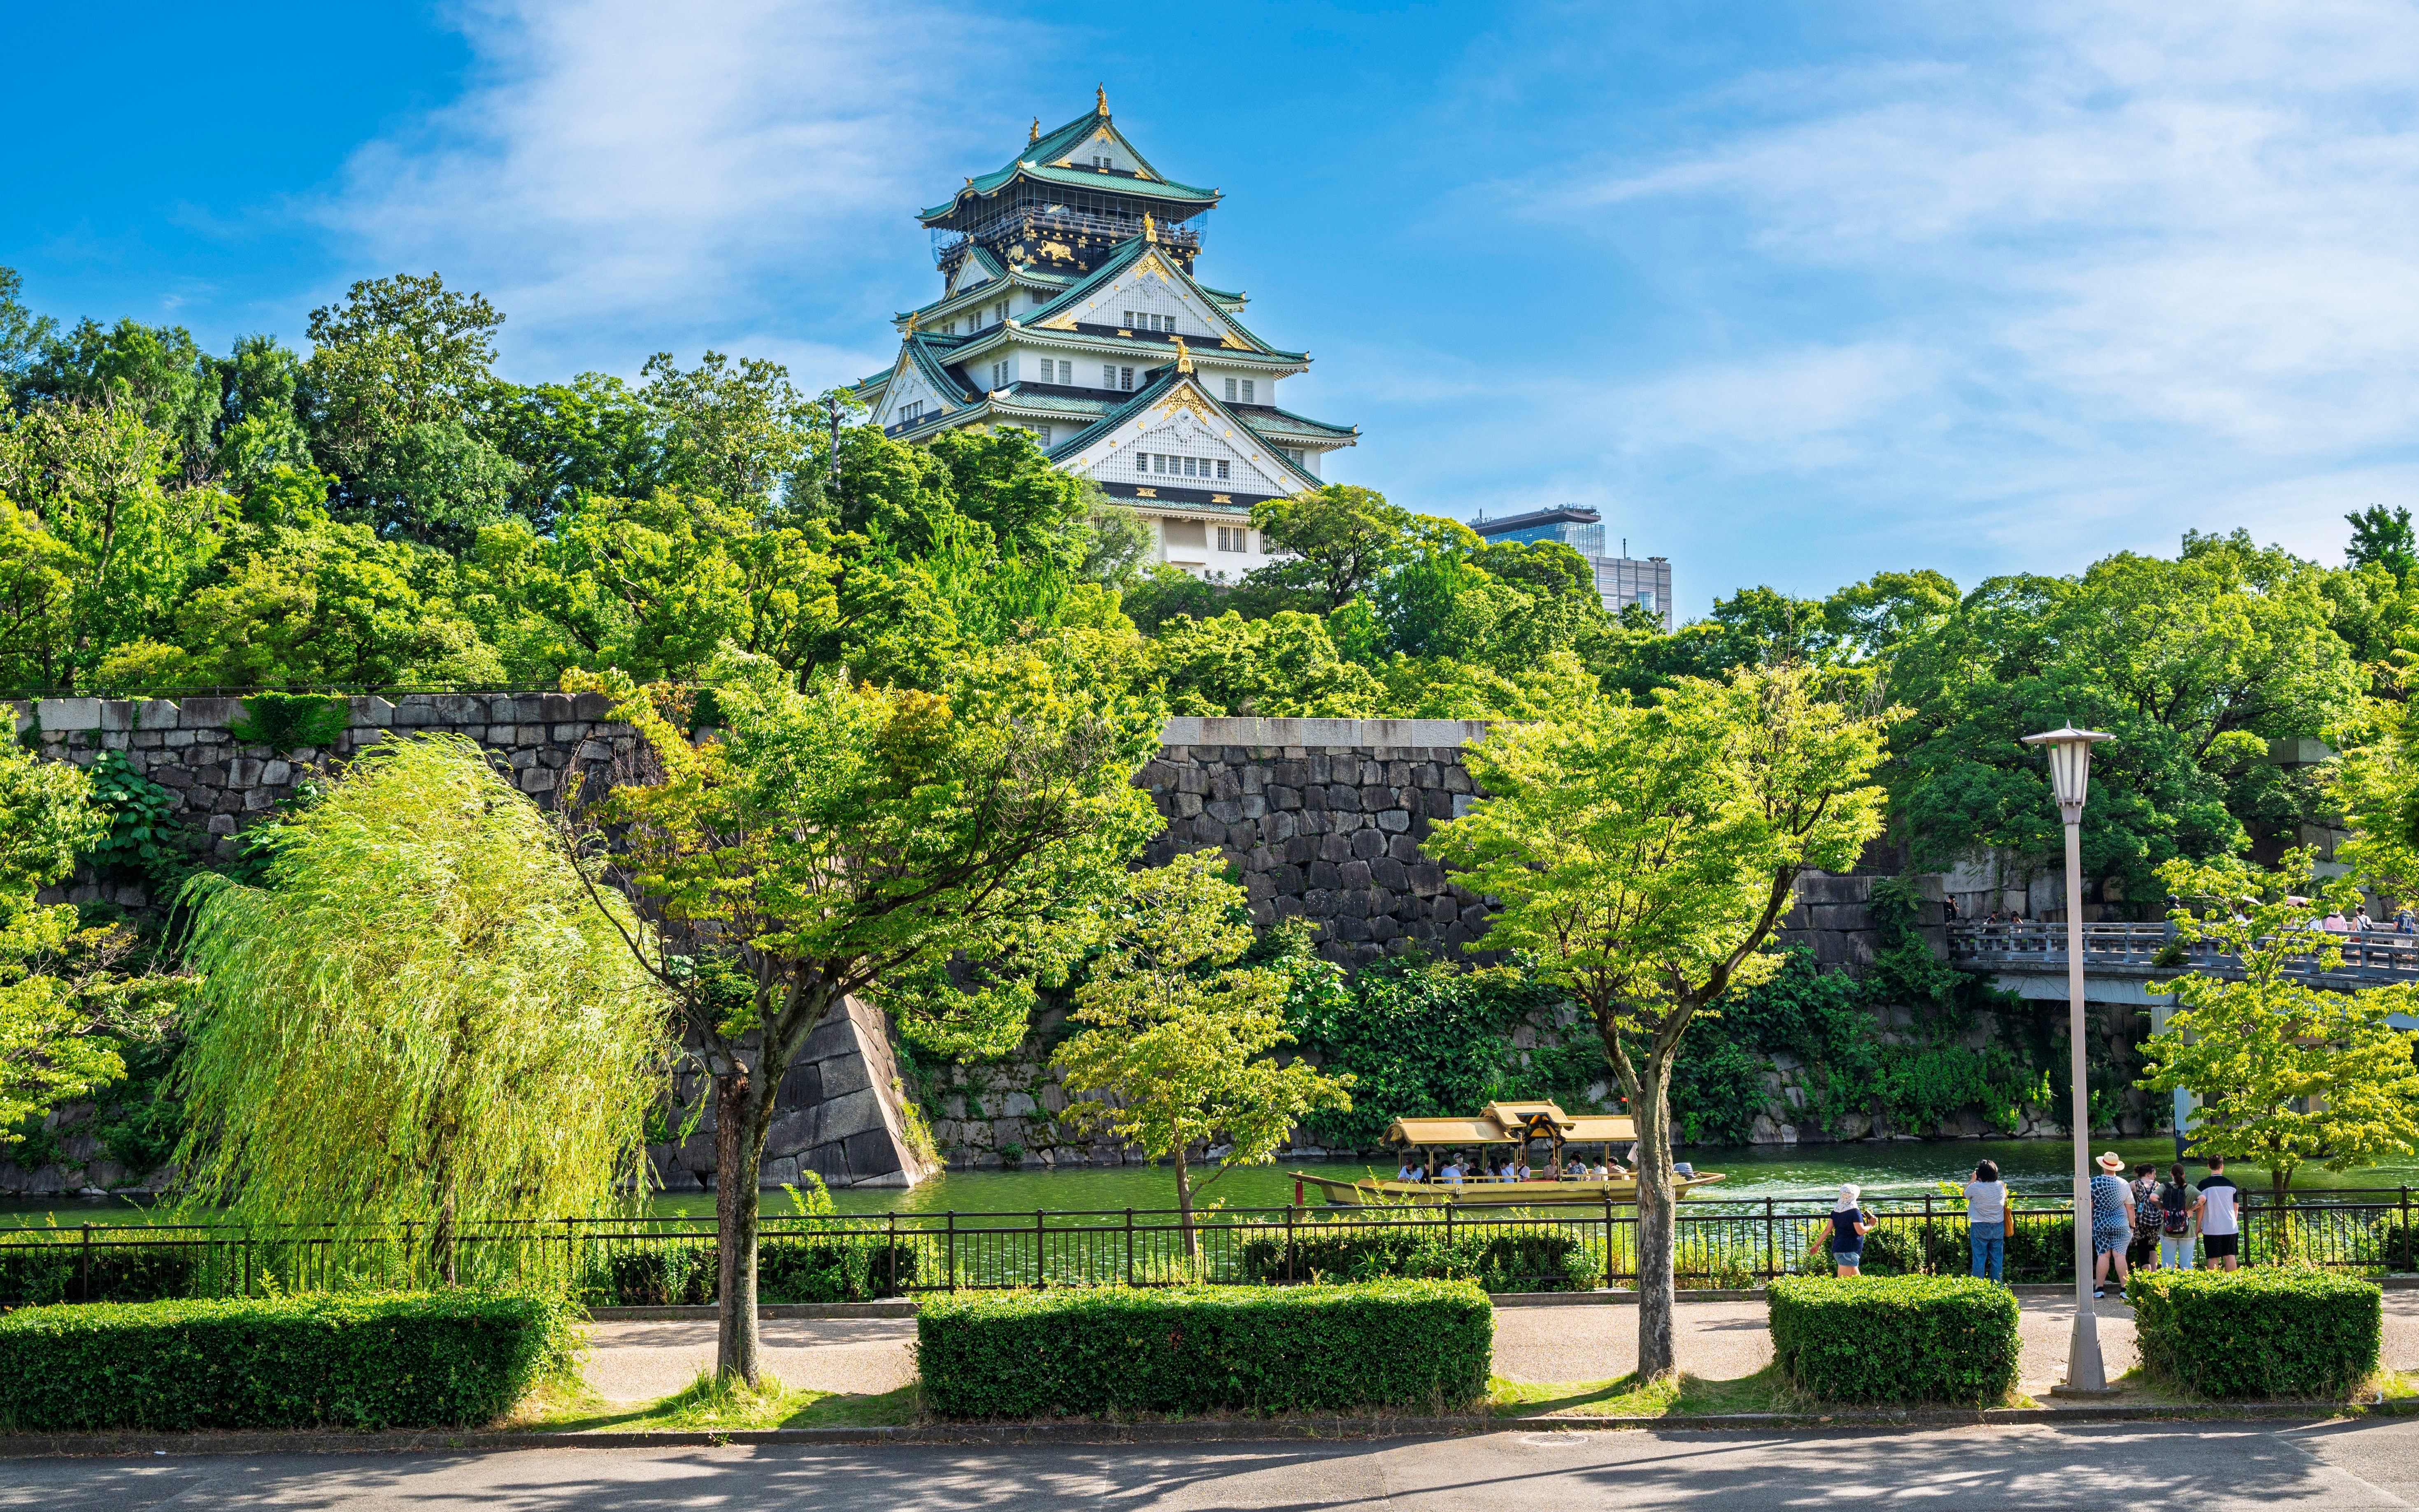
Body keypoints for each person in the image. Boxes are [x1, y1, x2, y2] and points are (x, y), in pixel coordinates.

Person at [2090, 1150, 2135, 1298]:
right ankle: (2125, 1290)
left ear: (2103, 1165)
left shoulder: (2094, 1183)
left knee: (2103, 1255)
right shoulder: (2124, 1184)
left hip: (2101, 1223)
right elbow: (2130, 1207)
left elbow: (2090, 1206)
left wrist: (2090, 1224)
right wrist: (2132, 1226)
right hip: (2121, 1224)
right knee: (2120, 1255)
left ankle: (2100, 1289)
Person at [1964, 1159, 2009, 1282]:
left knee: (1979, 1258)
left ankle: (1979, 1289)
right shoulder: (2001, 1185)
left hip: (1979, 1226)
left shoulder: (1975, 1187)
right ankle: (1997, 1289)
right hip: (1998, 1225)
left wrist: (1973, 1179)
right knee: (1997, 1259)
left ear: (1980, 1174)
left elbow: (1965, 1194)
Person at [2196, 1156, 2242, 1270]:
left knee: (2213, 1257)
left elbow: (2200, 1208)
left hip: (2212, 1227)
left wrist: (2198, 1227)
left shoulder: (2203, 1185)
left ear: (2209, 1166)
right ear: (2222, 1166)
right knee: (2230, 1256)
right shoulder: (2231, 1185)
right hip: (2230, 1226)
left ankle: (2215, 1284)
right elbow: (2236, 1208)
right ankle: (2232, 1283)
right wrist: (2233, 1223)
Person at [1828, 1184, 1875, 1277]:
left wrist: (1817, 1245)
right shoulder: (1855, 1212)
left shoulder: (1835, 1212)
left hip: (1839, 1248)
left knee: (1857, 1282)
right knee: (1842, 1282)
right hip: (1849, 1250)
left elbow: (1827, 1230)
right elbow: (1860, 1231)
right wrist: (1871, 1224)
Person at [2156, 1162, 2196, 1270]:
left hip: (2168, 1229)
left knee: (2167, 1264)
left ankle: (2168, 1286)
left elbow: (2153, 1197)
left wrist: (2163, 1208)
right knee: (2187, 1264)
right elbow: (2203, 1199)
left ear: (2171, 1174)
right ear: (2184, 1175)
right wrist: (2192, 1210)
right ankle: (2187, 1286)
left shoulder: (2165, 1187)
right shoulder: (2190, 1188)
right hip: (2187, 1230)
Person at [2128, 1162, 2164, 1272]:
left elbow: (2125, 1198)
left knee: (2142, 1248)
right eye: (2154, 1173)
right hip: (2155, 1222)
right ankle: (2155, 1273)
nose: (2155, 1176)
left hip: (2141, 1221)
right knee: (2152, 1246)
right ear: (2149, 1174)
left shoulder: (2134, 1184)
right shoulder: (2158, 1185)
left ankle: (2146, 1277)